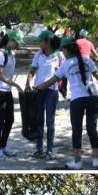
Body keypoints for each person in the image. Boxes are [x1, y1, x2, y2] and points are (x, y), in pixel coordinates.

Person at [34, 37, 98, 170]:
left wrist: (38, 87)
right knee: (92, 129)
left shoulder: (66, 64)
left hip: (77, 100)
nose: (62, 52)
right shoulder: (88, 60)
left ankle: (77, 162)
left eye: (62, 49)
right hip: (93, 98)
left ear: (67, 50)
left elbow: (52, 81)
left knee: (77, 131)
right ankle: (96, 160)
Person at [25, 30, 65, 161]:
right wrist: (27, 83)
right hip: (38, 91)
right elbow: (32, 70)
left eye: (41, 41)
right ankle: (38, 149)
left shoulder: (59, 56)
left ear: (48, 42)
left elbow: (62, 74)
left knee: (50, 121)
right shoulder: (38, 55)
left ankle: (50, 150)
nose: (39, 44)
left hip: (51, 92)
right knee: (38, 120)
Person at [0, 29, 25, 160]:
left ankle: (4, 146)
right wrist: (15, 85)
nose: (18, 45)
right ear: (10, 40)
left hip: (7, 91)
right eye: (16, 42)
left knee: (10, 120)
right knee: (0, 120)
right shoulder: (0, 54)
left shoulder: (11, 53)